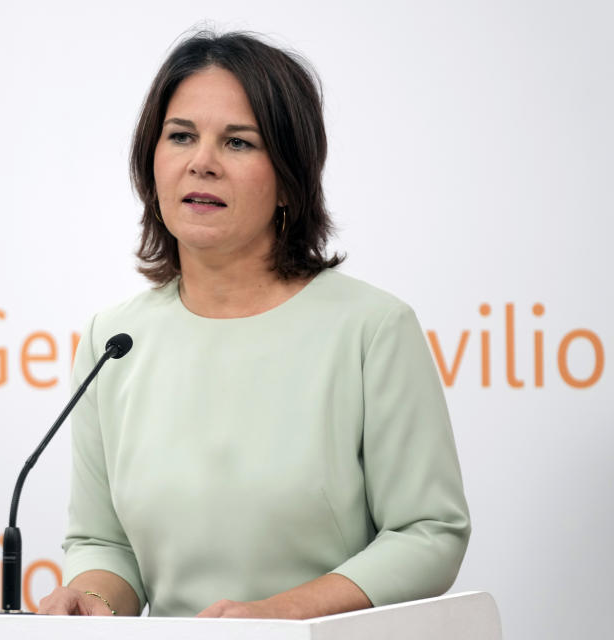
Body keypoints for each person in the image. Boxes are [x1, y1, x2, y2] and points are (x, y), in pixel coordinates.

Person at [38, 30, 470, 619]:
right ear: (152, 160)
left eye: (238, 143)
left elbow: (429, 533)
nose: (202, 163)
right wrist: (91, 599)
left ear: (289, 178)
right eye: (181, 136)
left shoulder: (372, 329)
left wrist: (283, 614)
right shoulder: (113, 340)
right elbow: (103, 542)